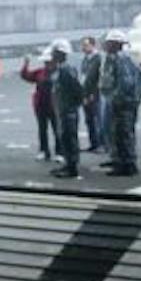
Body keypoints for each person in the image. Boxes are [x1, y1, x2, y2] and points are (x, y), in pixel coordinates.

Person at [98, 29, 141, 177]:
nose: (105, 46)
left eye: (108, 43)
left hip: (122, 104)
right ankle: (118, 159)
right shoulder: (112, 58)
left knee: (123, 133)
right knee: (114, 133)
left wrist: (117, 99)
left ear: (115, 44)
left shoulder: (122, 59)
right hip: (116, 101)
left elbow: (126, 83)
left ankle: (128, 164)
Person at [48, 39, 83, 178]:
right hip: (63, 108)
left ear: (60, 53)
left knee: (69, 138)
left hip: (68, 109)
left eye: (54, 52)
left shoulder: (66, 69)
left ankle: (72, 167)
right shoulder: (61, 68)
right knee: (65, 137)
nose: (52, 54)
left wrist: (73, 104)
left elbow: (77, 89)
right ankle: (68, 164)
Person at [20, 47, 54, 160]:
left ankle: (60, 151)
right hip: (41, 105)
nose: (47, 64)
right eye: (46, 62)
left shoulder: (59, 72)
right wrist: (26, 63)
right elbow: (26, 76)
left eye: (48, 62)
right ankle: (44, 150)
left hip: (55, 105)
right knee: (42, 129)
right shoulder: (40, 72)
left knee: (57, 129)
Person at [77, 34, 106, 153]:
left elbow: (97, 79)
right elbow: (84, 77)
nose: (83, 48)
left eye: (86, 45)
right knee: (89, 120)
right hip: (85, 92)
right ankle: (93, 143)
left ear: (93, 45)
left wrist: (92, 93)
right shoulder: (86, 59)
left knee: (98, 119)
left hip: (95, 93)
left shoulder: (98, 59)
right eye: (82, 45)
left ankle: (101, 144)